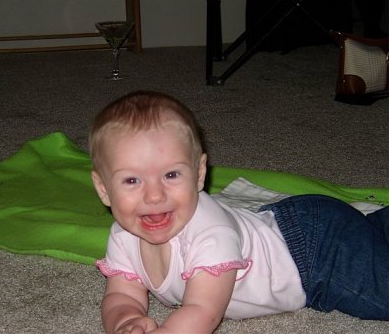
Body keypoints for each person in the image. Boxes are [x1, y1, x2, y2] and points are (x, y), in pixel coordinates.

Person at [89, 90, 389, 334]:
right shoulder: (122, 236)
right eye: (131, 180)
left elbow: (202, 311)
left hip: (315, 254)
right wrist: (124, 321)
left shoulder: (211, 232)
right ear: (103, 188)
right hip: (290, 226)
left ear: (198, 173)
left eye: (171, 175)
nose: (154, 195)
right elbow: (122, 295)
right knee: (374, 239)